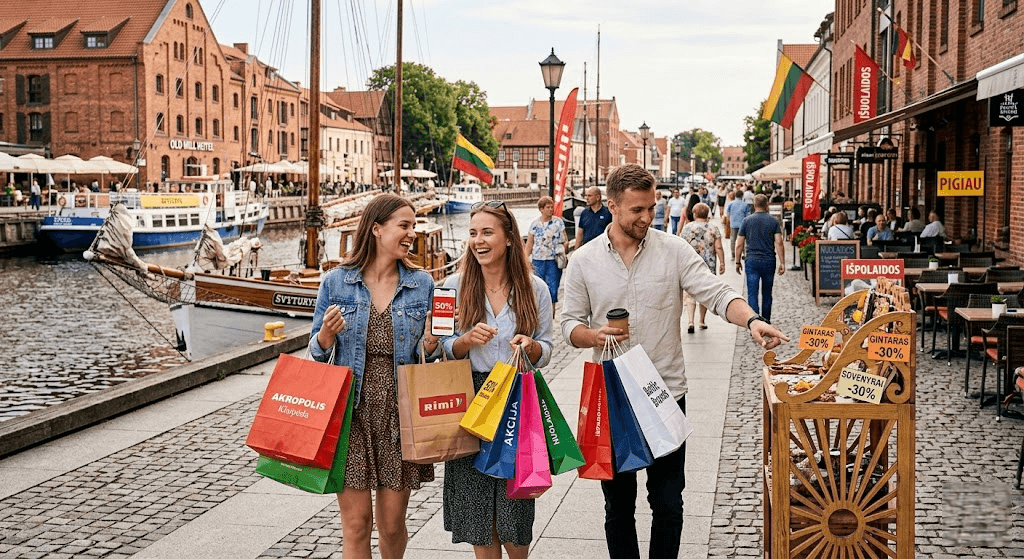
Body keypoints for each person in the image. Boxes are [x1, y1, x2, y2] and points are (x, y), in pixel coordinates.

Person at [561, 164, 789, 559]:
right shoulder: (583, 261)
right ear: (612, 206)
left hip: (664, 393)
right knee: (618, 505)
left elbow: (716, 294)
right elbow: (568, 324)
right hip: (612, 396)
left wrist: (751, 320)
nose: (647, 217)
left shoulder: (674, 249)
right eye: (637, 210)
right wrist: (594, 336)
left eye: (651, 207)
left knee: (668, 502)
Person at [308, 194, 436, 559]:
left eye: (413, 226)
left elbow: (430, 354)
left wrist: (430, 344)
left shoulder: (421, 284)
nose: (411, 233)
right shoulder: (336, 282)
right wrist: (325, 337)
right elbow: (315, 353)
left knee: (392, 526)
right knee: (357, 524)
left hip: (399, 415)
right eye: (404, 225)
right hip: (351, 414)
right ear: (377, 229)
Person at [438, 199, 553, 559]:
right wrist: (463, 341)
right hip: (469, 400)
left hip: (516, 401)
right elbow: (437, 346)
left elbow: (547, 349)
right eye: (473, 233)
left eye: (487, 232)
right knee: (478, 516)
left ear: (508, 239)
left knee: (515, 517)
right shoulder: (449, 285)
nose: (478, 240)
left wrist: (532, 346)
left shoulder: (535, 289)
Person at [735, 194, 786, 322]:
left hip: (752, 261)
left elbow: (739, 243)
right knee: (767, 293)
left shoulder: (747, 221)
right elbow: (779, 242)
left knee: (752, 293)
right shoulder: (773, 221)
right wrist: (782, 262)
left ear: (754, 204)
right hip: (769, 260)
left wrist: (737, 261)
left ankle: (756, 322)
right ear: (767, 205)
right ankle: (766, 320)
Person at [681, 203, 726, 332]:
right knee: (704, 293)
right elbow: (718, 247)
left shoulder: (687, 228)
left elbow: (681, 247)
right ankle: (701, 321)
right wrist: (722, 263)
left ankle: (690, 321)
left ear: (694, 214)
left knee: (689, 294)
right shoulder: (713, 228)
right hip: (708, 266)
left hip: (689, 265)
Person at [525, 196, 568, 318]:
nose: (551, 209)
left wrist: (563, 250)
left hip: (553, 261)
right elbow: (529, 245)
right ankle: (537, 317)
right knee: (536, 289)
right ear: (541, 209)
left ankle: (550, 317)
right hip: (538, 261)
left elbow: (565, 240)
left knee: (552, 290)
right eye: (548, 207)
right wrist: (523, 260)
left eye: (551, 207)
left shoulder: (558, 222)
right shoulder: (534, 225)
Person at [726, 188, 751, 259]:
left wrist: (728, 222)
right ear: (742, 196)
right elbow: (748, 215)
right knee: (743, 240)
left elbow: (728, 214)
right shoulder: (745, 204)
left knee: (733, 240)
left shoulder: (731, 204)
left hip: (733, 224)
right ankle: (743, 253)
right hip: (742, 225)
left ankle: (733, 255)